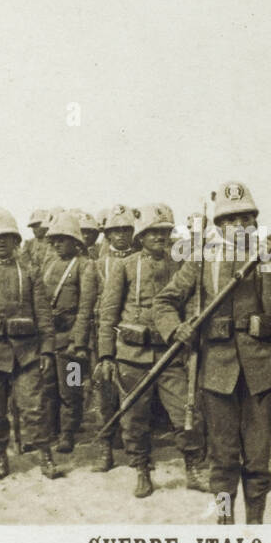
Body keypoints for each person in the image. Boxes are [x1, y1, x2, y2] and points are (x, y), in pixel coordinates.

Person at [152, 181, 271, 524]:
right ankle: (226, 523)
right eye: (230, 220)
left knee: (258, 457)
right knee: (223, 455)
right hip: (216, 369)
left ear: (255, 222)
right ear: (219, 225)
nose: (239, 226)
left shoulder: (266, 255)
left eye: (245, 218)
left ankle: (255, 523)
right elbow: (164, 302)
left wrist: (270, 265)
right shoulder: (200, 259)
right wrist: (176, 328)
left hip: (261, 370)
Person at [96, 203, 210, 497]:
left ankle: (193, 469)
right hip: (132, 354)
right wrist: (106, 355)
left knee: (186, 412)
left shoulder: (179, 264)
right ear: (141, 236)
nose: (160, 237)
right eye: (153, 232)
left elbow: (189, 303)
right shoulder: (124, 265)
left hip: (170, 353)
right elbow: (108, 313)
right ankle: (142, 470)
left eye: (165, 232)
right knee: (134, 417)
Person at [0, 208, 58, 480]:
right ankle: (0, 457)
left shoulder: (30, 273)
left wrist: (46, 349)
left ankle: (46, 455)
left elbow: (43, 313)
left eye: (8, 237)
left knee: (34, 406)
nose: (1, 242)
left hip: (26, 353)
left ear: (16, 241)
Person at [39, 211, 98, 457]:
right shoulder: (49, 264)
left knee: (71, 388)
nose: (57, 244)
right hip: (49, 337)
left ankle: (68, 432)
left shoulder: (85, 266)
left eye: (62, 239)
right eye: (54, 240)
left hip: (71, 339)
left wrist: (79, 341)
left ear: (75, 241)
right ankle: (51, 430)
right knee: (48, 385)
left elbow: (85, 308)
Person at [92, 203, 136, 457]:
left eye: (125, 230)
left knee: (131, 393)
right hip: (101, 337)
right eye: (115, 231)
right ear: (107, 235)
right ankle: (104, 446)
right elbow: (86, 304)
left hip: (130, 338)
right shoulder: (96, 265)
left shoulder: (140, 261)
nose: (120, 235)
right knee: (103, 394)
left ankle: (132, 445)